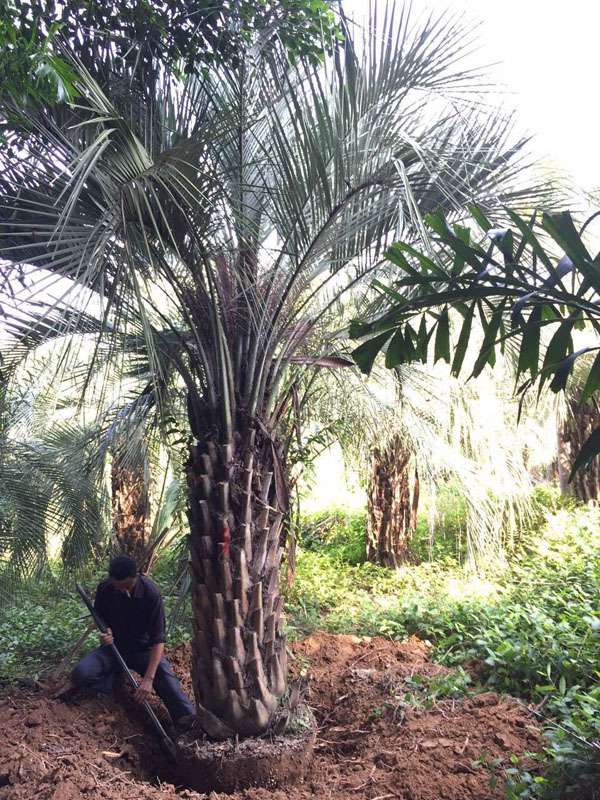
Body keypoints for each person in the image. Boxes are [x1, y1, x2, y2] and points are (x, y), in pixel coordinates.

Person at [57, 555, 195, 728]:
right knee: (82, 673)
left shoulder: (151, 593)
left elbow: (158, 640)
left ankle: (188, 723)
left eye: (127, 587)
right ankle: (113, 690)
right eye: (118, 587)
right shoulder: (106, 588)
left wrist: (148, 679)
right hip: (113, 648)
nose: (123, 591)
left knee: (167, 680)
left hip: (142, 650)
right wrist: (105, 632)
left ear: (136, 577)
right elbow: (100, 618)